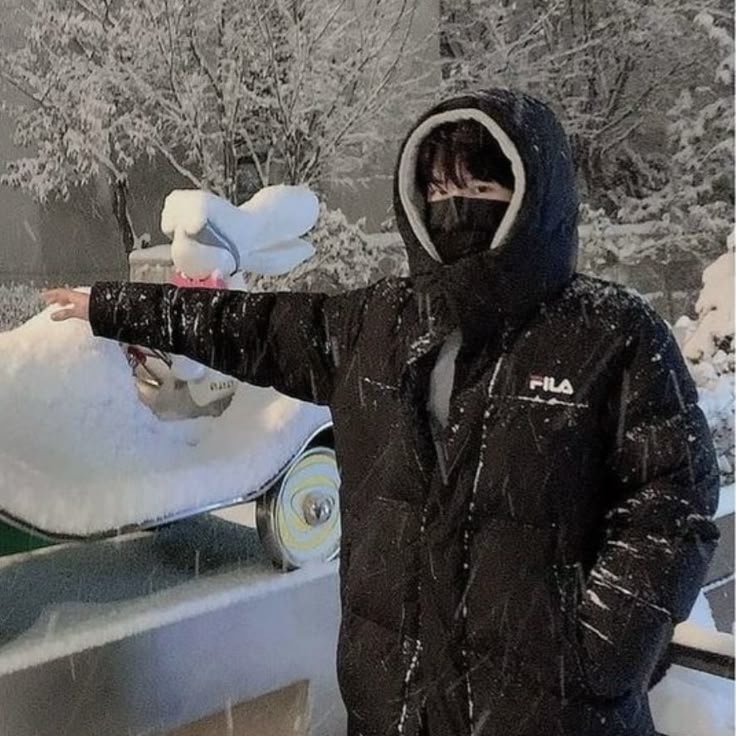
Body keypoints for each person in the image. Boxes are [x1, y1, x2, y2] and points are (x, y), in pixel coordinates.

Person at [43, 88, 720, 736]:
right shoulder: (378, 323)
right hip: (396, 706)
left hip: (549, 716)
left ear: (534, 199)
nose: (456, 205)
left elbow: (673, 504)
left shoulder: (610, 334)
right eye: (440, 188)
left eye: (482, 188)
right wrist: (111, 305)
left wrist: (596, 652)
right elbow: (246, 325)